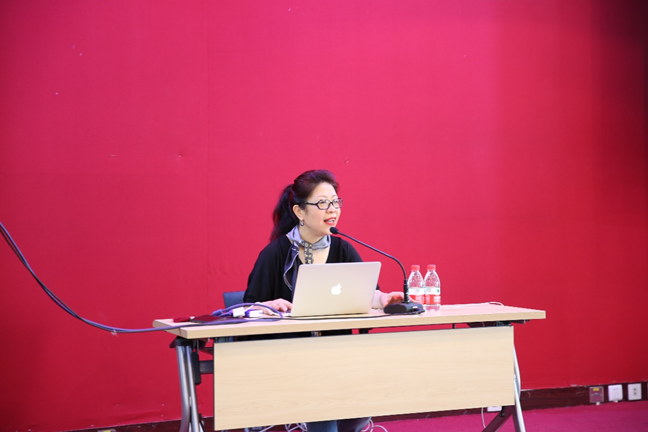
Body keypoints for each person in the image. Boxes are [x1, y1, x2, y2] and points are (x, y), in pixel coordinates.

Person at [244, 169, 403, 432]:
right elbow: (247, 310)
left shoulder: (343, 249)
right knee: (326, 406)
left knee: (362, 403)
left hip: (338, 357)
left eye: (335, 202)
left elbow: (366, 294)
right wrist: (266, 307)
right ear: (299, 212)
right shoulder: (275, 253)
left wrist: (383, 298)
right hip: (289, 361)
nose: (332, 209)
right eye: (322, 203)